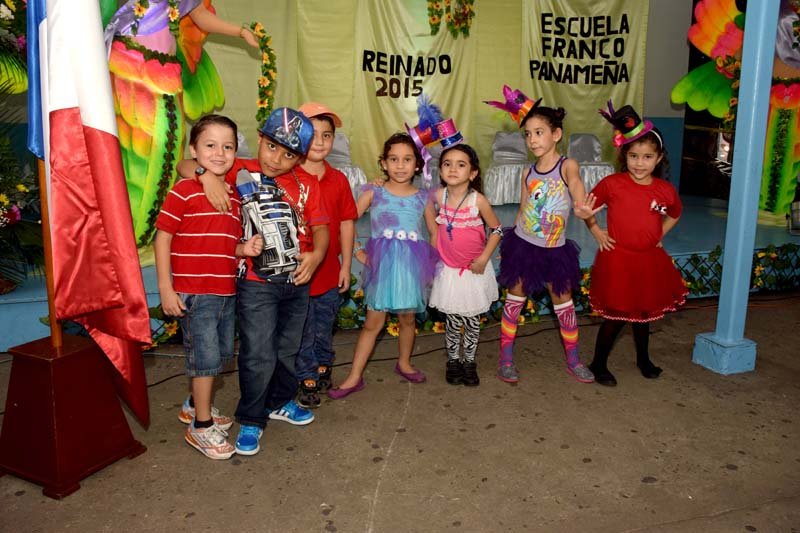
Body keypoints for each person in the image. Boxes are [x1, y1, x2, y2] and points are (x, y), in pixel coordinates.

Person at [181, 107, 330, 456]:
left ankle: (278, 401)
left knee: (288, 349)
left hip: (297, 280)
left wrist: (317, 255)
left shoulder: (307, 184)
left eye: (289, 154)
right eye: (272, 147)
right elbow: (185, 166)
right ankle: (251, 417)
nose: (276, 159)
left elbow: (322, 227)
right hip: (256, 281)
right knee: (258, 353)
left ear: (300, 157)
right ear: (260, 139)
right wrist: (206, 176)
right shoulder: (239, 168)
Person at [155, 114, 263, 460]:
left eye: (228, 147)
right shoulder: (184, 190)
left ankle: (193, 404)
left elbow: (224, 245)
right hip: (196, 292)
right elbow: (163, 238)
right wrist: (166, 288)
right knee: (205, 360)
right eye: (210, 145)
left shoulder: (232, 198)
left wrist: (244, 249)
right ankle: (200, 426)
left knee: (220, 356)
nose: (220, 153)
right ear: (194, 150)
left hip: (225, 291)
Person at [484, 86, 600, 384]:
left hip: (555, 250)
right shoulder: (527, 173)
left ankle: (574, 360)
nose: (532, 140)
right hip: (524, 245)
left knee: (564, 304)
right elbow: (523, 210)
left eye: (539, 133)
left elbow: (577, 189)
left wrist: (584, 209)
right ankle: (505, 359)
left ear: (556, 135)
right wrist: (509, 248)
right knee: (514, 301)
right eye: (528, 134)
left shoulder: (567, 166)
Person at [327, 133, 439, 399]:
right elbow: (348, 220)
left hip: (411, 267)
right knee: (372, 323)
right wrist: (357, 250)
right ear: (384, 163)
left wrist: (431, 263)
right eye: (394, 159)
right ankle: (354, 376)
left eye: (407, 159)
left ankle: (404, 363)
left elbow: (434, 232)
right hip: (382, 267)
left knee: (408, 318)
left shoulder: (423, 198)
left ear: (417, 165)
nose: (400, 165)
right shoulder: (373, 191)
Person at [584, 102, 688, 386]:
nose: (639, 163)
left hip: (648, 260)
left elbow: (675, 213)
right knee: (617, 316)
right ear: (624, 155)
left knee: (643, 312)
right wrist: (596, 230)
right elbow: (586, 208)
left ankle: (644, 359)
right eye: (633, 156)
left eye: (647, 157)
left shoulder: (665, 190)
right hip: (618, 259)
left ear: (659, 158)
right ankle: (598, 363)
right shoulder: (612, 184)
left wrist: (658, 235)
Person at [294, 102, 358, 408]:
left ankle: (323, 364)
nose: (320, 142)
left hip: (330, 271)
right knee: (301, 327)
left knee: (323, 324)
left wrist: (346, 265)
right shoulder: (287, 177)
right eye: (312, 134)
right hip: (296, 273)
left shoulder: (339, 180)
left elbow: (347, 222)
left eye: (327, 135)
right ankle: (305, 374)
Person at [426, 143, 502, 386]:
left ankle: (469, 361)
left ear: (472, 173)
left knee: (471, 321)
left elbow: (497, 230)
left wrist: (483, 258)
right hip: (449, 271)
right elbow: (424, 205)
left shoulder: (478, 201)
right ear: (440, 170)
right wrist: (433, 234)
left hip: (473, 271)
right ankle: (453, 361)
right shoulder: (438, 196)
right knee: (452, 321)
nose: (453, 169)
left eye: (461, 165)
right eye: (447, 164)